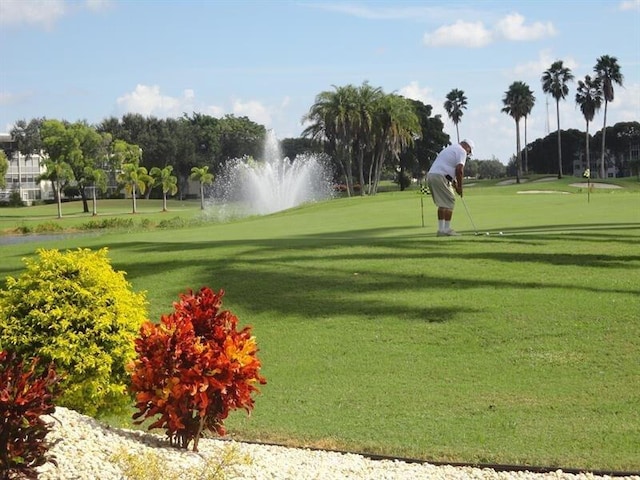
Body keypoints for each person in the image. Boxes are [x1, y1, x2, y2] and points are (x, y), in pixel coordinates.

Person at [426, 139, 474, 236]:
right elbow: (459, 170)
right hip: (440, 176)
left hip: (432, 176)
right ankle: (446, 230)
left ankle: (441, 230)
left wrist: (455, 185)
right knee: (450, 201)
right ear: (467, 147)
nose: (468, 154)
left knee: (443, 204)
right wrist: (460, 187)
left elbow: (449, 171)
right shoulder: (462, 151)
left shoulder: (451, 148)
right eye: (469, 152)